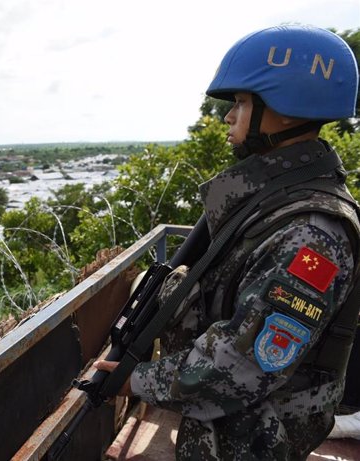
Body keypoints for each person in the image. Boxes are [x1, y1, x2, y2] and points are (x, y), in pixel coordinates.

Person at [95, 25, 360, 460]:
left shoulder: (310, 231)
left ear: (288, 111)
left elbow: (245, 366)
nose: (228, 116)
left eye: (240, 103)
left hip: (261, 432)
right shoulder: (275, 197)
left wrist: (135, 381)